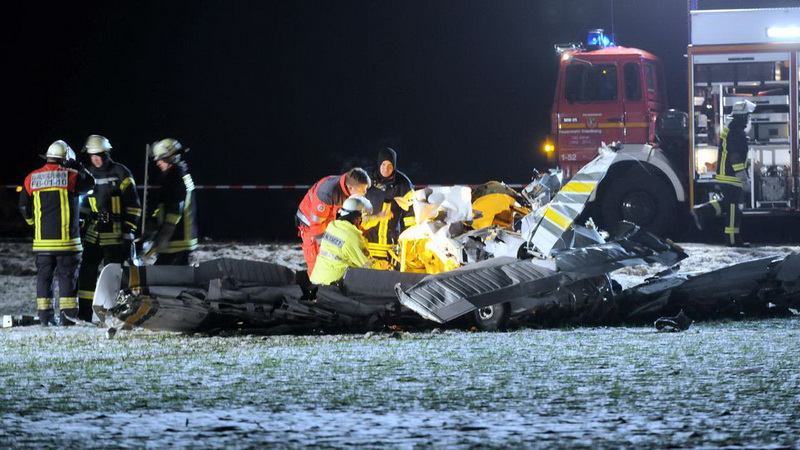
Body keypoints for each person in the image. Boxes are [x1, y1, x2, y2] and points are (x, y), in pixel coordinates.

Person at [19, 140, 94, 326]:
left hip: (42, 244)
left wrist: (34, 224)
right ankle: (68, 318)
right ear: (66, 159)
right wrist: (79, 166)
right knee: (67, 279)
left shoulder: (31, 178)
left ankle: (45, 318)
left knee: (44, 280)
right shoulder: (71, 176)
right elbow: (90, 183)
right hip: (67, 243)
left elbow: (23, 207)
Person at [77, 135, 142, 321]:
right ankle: (84, 314)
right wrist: (81, 223)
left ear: (106, 154)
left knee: (115, 276)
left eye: (98, 155)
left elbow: (134, 205)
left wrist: (129, 229)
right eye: (92, 156)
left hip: (115, 235)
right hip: (94, 234)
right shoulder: (89, 174)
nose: (95, 160)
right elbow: (85, 205)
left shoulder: (121, 172)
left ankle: (117, 312)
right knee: (87, 272)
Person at [692, 100, 755, 246]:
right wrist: (743, 178)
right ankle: (732, 240)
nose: (749, 119)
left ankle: (703, 211)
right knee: (733, 209)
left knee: (729, 205)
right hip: (731, 177)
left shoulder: (733, 130)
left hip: (727, 176)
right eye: (748, 116)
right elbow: (735, 157)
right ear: (742, 117)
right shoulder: (736, 133)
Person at [296, 168, 371, 275]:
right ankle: (316, 283)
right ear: (350, 187)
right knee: (318, 260)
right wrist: (325, 246)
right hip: (310, 222)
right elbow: (316, 225)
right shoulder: (327, 192)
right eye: (363, 190)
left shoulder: (351, 188)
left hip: (327, 221)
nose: (365, 193)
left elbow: (349, 218)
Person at [142, 138, 197, 265]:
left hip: (176, 241)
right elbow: (165, 206)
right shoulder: (182, 174)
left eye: (160, 159)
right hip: (183, 240)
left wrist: (164, 235)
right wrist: (153, 225)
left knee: (161, 275)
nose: (158, 163)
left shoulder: (174, 177)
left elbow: (174, 209)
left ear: (170, 158)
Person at [310, 196, 389, 285]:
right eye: (361, 218)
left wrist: (378, 217)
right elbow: (369, 266)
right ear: (357, 218)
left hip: (318, 279)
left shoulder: (333, 226)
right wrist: (384, 265)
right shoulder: (352, 237)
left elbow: (363, 222)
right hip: (333, 284)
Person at [363, 147, 415, 264]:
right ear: (379, 164)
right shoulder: (366, 178)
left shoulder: (403, 184)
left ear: (394, 166)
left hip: (390, 240)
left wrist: (409, 238)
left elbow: (411, 213)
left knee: (388, 267)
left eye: (390, 166)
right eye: (383, 164)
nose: (386, 169)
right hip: (367, 238)